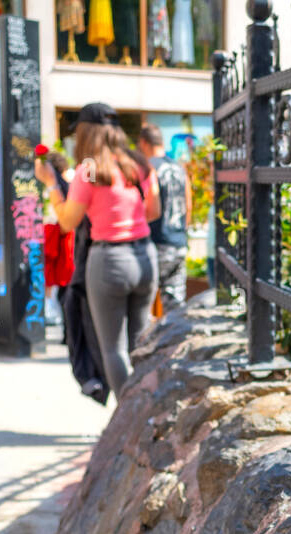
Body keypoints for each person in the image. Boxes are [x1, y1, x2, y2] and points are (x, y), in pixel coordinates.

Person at [37, 103, 159, 394]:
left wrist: (52, 186)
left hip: (109, 261)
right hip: (144, 257)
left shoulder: (90, 170)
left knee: (112, 349)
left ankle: (127, 417)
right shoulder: (138, 164)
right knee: (139, 343)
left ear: (85, 133)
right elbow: (153, 210)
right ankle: (145, 411)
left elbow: (67, 221)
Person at [136, 124, 190, 314]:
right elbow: (188, 204)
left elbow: (148, 206)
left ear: (144, 143)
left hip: (156, 242)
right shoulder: (178, 167)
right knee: (175, 306)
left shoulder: (148, 168)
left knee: (144, 306)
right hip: (179, 241)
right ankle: (174, 342)